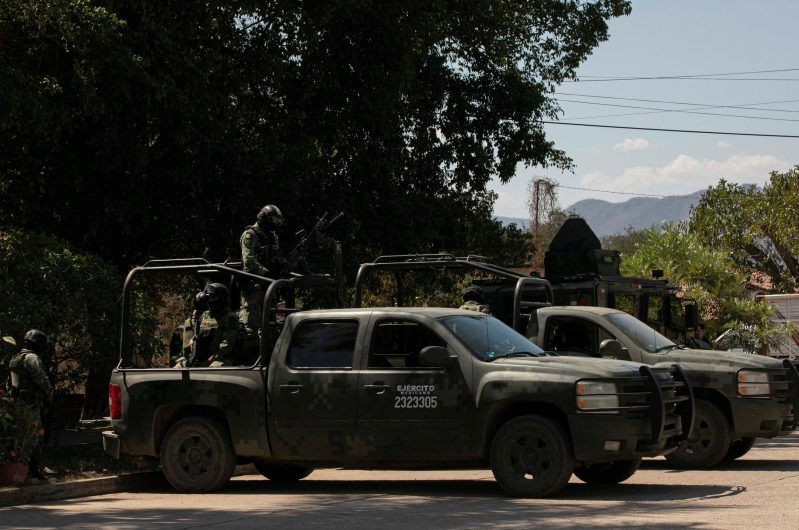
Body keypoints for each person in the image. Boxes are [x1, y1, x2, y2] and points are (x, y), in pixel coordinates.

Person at [239, 204, 286, 354]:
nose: (276, 224)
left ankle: (267, 353)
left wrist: (281, 266)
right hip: (254, 284)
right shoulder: (250, 234)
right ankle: (249, 357)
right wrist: (266, 274)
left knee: (270, 322)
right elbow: (249, 261)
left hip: (269, 285)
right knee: (251, 323)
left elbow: (275, 258)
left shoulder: (273, 237)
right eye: (274, 219)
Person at [9, 329, 53, 480]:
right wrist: (49, 394)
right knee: (34, 436)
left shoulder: (15, 359)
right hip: (31, 404)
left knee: (21, 436)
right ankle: (33, 469)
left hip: (18, 404)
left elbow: (13, 385)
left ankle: (21, 468)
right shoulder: (32, 358)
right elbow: (42, 380)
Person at [194, 283, 242, 367]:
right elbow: (198, 335)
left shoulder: (230, 317)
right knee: (178, 368)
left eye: (213, 297)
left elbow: (226, 345)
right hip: (203, 358)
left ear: (222, 299)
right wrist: (193, 340)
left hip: (222, 358)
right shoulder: (205, 315)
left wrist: (210, 360)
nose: (210, 301)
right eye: (208, 298)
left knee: (213, 370)